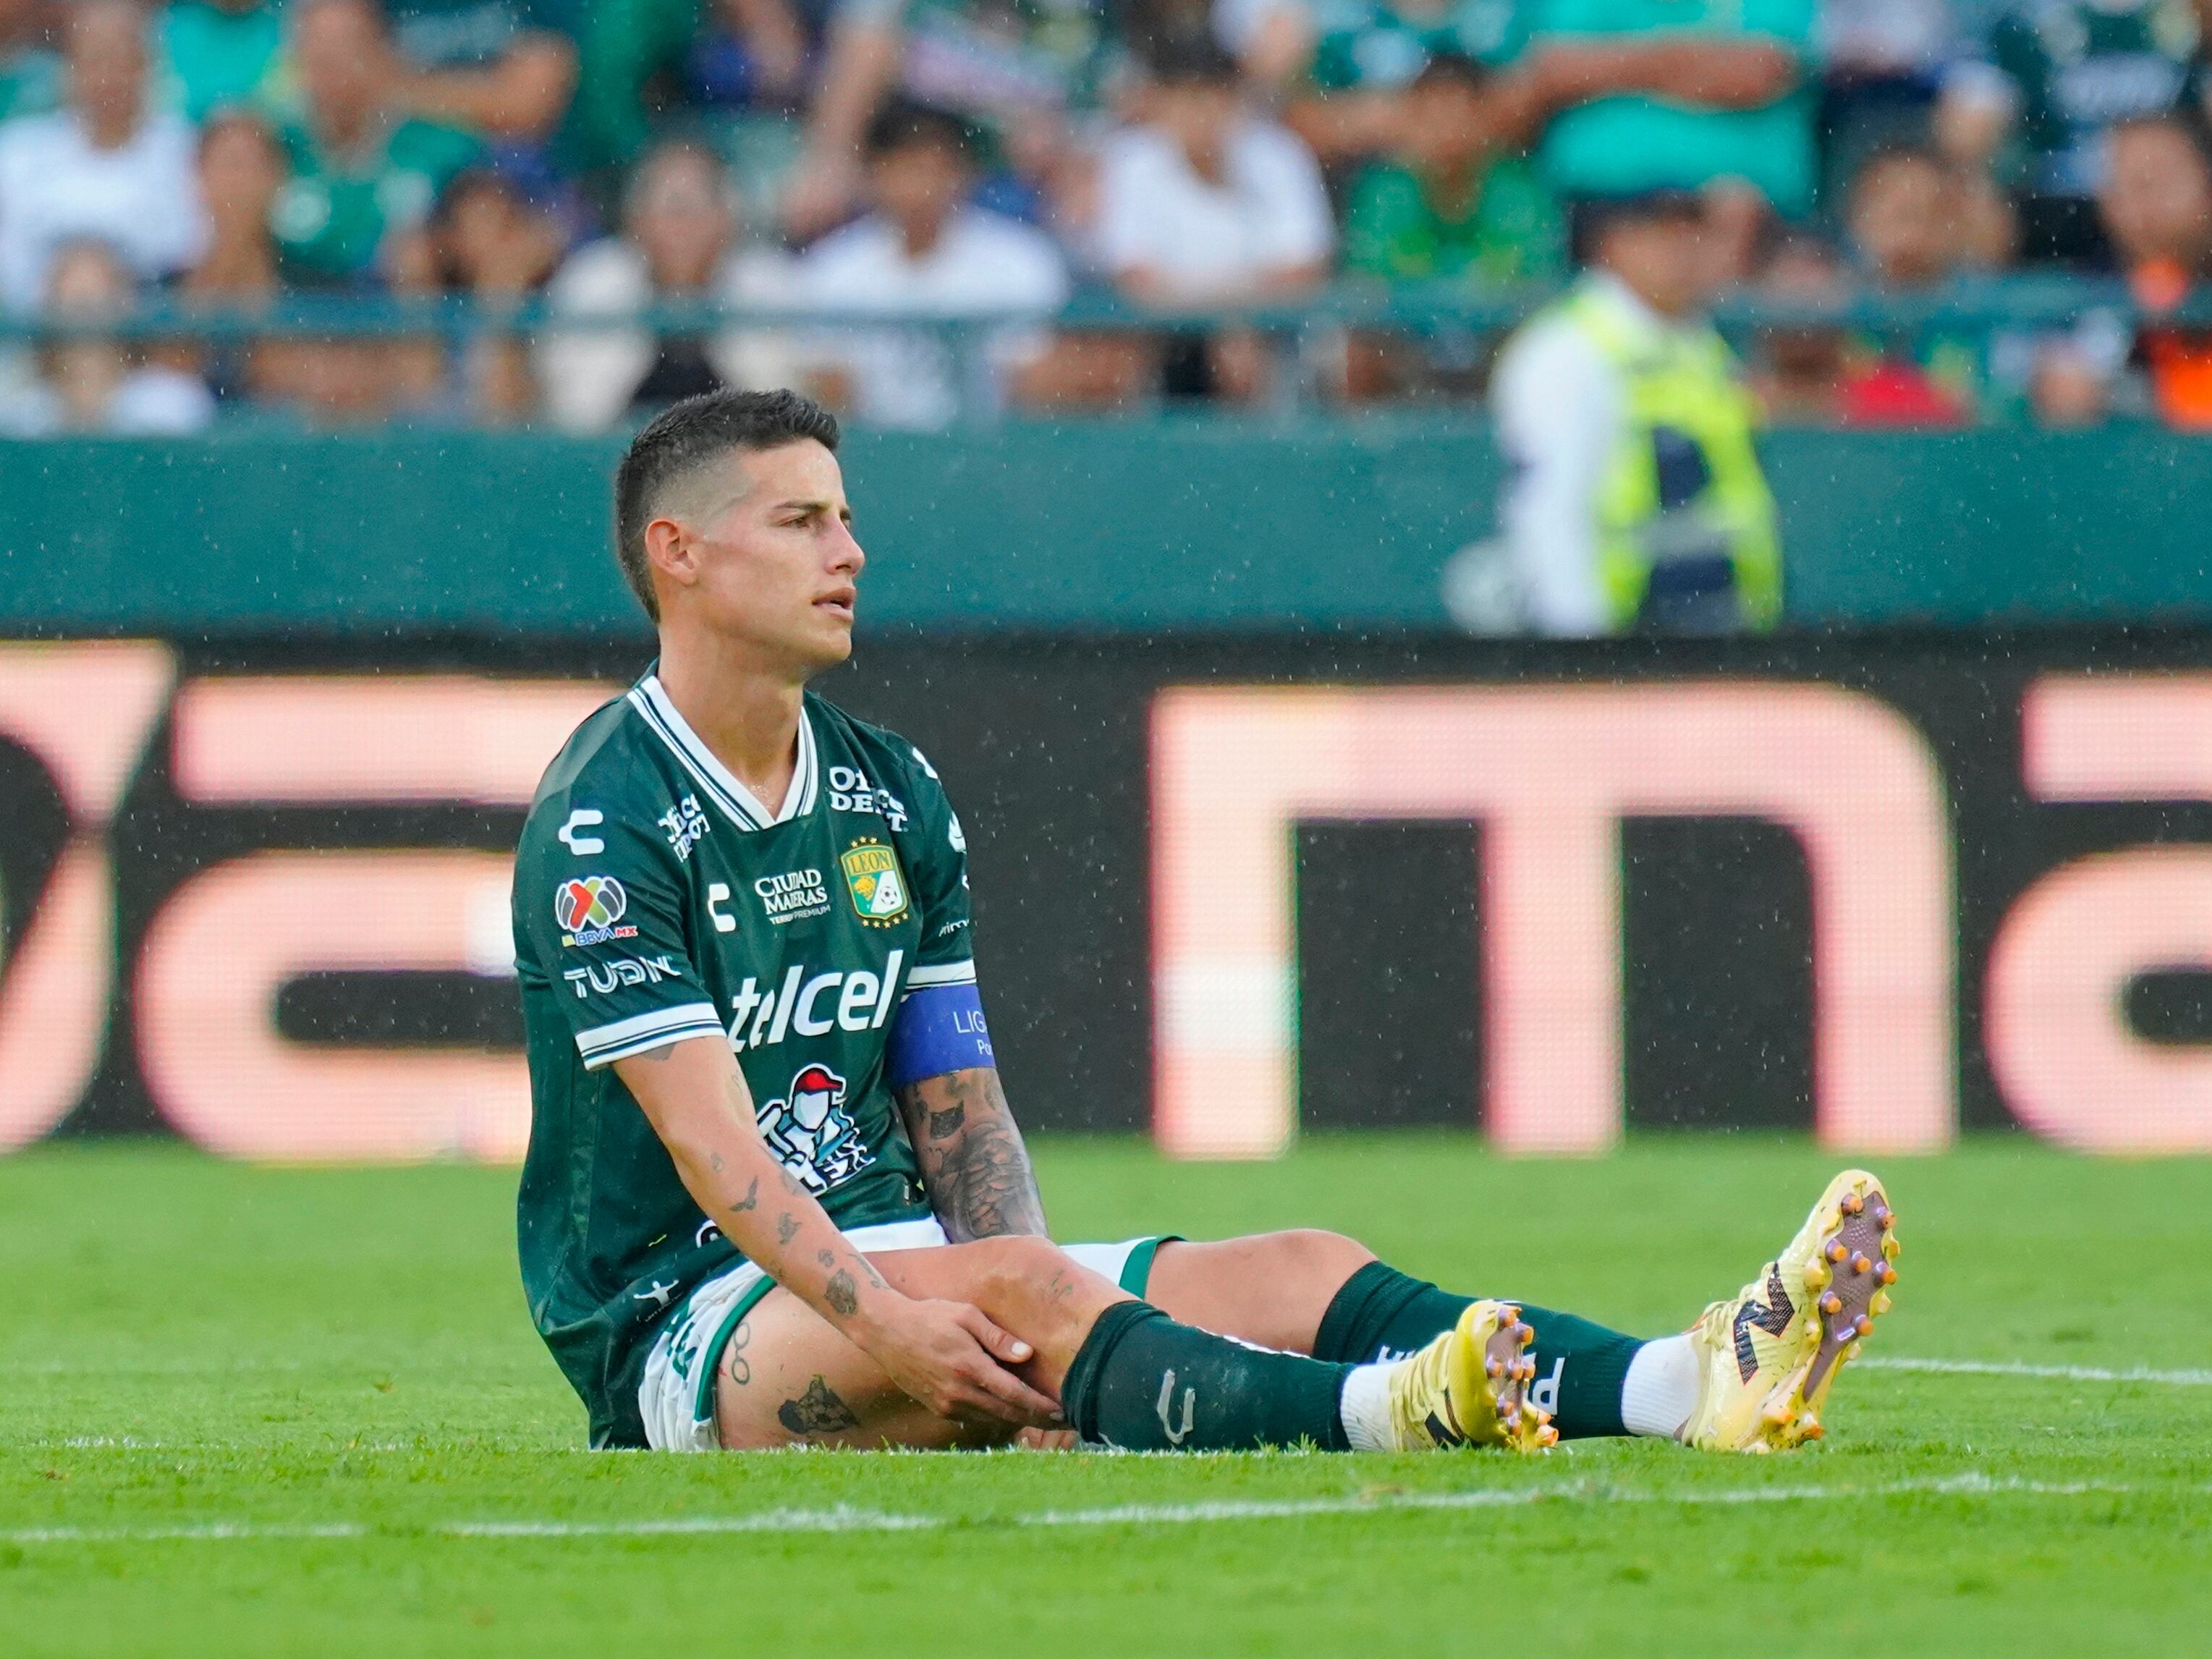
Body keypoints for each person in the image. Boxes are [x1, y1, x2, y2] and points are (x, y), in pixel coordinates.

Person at [511, 385, 1902, 1456]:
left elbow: (959, 1104)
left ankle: (1688, 1378)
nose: (852, 552)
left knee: (1302, 1262)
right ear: (677, 553)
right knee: (1022, 1293)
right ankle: (1388, 1411)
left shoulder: (891, 788)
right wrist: (915, 1321)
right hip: (689, 1321)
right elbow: (711, 1149)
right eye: (801, 522)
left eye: (848, 517)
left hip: (906, 1261)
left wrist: (1026, 1310)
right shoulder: (606, 819)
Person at [1470, 190, 1781, 636]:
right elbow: (1547, 507)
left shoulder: (1705, 343)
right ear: (1612, 246)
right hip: (1625, 637)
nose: (1682, 253)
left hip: (1724, 628)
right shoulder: (1566, 349)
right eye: (1662, 236)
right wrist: (1580, 649)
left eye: (1692, 234)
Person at [793, 101, 1069, 428]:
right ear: (873, 174)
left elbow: (1032, 383)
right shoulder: (832, 267)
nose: (921, 187)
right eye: (904, 167)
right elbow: (832, 390)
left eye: (935, 167)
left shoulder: (1023, 259)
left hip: (991, 455)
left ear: (964, 173)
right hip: (875, 460)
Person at [1095, 38, 1332, 402]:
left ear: (1236, 100)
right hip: (1166, 339)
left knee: (1253, 354)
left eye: (1211, 96)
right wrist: (1224, 314)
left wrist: (1236, 321)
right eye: (1185, 98)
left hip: (1267, 335)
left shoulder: (1280, 155)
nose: (1199, 114)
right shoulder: (1130, 162)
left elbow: (1304, 272)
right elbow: (1135, 281)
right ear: (1159, 101)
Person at [537, 137, 801, 432]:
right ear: (635, 219)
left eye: (696, 208)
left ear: (728, 219)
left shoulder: (770, 284)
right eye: (670, 209)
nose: (682, 227)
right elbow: (572, 414)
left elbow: (788, 416)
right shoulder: (591, 282)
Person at [0, 0, 207, 313]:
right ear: (69, 70)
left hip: (149, 338)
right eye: (95, 60)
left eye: (122, 60)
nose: (108, 76)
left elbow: (191, 257)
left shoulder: (185, 151)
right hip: (30, 339)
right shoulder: (17, 151)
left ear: (147, 67)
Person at [0, 237, 216, 434]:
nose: (85, 325)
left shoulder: (171, 406)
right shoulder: (20, 415)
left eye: (97, 306)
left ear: (126, 310)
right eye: (72, 308)